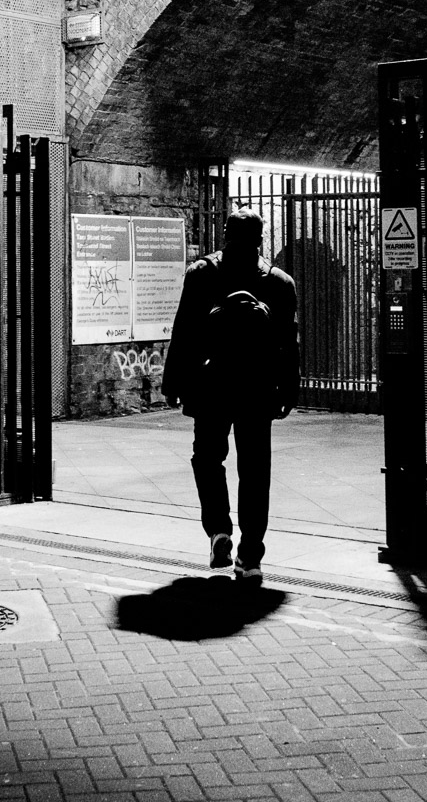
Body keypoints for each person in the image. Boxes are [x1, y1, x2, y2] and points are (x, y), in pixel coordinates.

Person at [161, 207, 300, 585]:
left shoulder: (203, 274)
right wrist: (290, 387)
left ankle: (219, 531)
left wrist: (173, 381)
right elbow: (288, 343)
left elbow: (185, 330)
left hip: (212, 385)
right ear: (260, 239)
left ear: (225, 234)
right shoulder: (279, 283)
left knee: (207, 459)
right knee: (255, 470)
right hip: (258, 388)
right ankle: (250, 555)